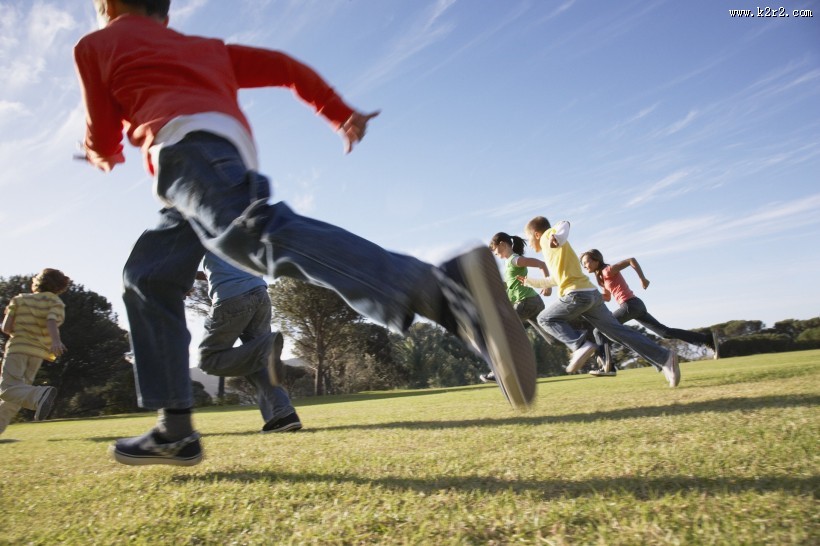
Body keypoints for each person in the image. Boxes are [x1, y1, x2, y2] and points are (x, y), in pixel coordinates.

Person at [76, 0, 535, 466]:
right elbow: (285, 67)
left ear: (107, 6)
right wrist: (338, 112)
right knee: (148, 277)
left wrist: (101, 152)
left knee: (249, 237)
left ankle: (439, 289)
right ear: (165, 14)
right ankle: (174, 428)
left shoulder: (97, 43)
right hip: (208, 164)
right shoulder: (201, 47)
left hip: (183, 152)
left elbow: (102, 128)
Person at [518, 216, 680, 387]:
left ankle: (579, 345)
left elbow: (563, 223)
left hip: (577, 295)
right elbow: (555, 279)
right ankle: (665, 358)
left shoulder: (547, 238)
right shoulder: (554, 252)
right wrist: (529, 282)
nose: (529, 243)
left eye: (528, 238)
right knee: (618, 332)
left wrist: (556, 236)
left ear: (536, 234)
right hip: (591, 294)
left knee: (544, 318)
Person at [196, 252, 301, 434]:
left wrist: (180, 283)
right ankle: (284, 415)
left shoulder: (204, 230)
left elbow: (182, 265)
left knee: (208, 360)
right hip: (260, 295)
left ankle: (265, 346)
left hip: (230, 298)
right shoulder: (242, 233)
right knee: (257, 363)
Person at [579, 249, 720, 377]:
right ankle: (706, 339)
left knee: (598, 331)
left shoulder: (608, 270)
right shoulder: (602, 278)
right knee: (665, 332)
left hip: (630, 305)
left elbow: (630, 260)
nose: (585, 266)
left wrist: (642, 278)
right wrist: (590, 293)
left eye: (586, 262)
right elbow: (607, 298)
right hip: (635, 306)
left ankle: (608, 366)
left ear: (596, 260)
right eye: (583, 264)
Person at [0, 269, 70, 436]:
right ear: (60, 286)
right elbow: (51, 320)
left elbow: (6, 328)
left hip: (18, 348)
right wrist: (55, 341)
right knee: (16, 394)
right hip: (38, 353)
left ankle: (39, 395)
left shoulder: (19, 300)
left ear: (37, 282)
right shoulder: (55, 302)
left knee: (7, 389)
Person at [481, 232, 553, 383]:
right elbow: (511, 287)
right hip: (533, 302)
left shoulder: (515, 260)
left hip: (525, 302)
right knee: (552, 338)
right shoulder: (509, 263)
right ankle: (585, 344)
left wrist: (547, 285)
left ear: (502, 244)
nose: (495, 253)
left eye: (495, 250)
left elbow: (541, 264)